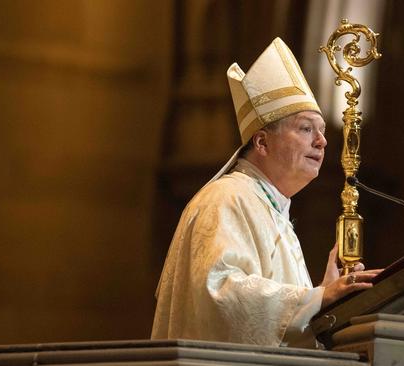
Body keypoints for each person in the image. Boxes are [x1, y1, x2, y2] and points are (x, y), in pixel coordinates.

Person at [151, 38, 379, 347]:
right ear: (261, 143)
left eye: (323, 131)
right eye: (305, 129)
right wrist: (314, 299)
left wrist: (326, 300)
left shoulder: (272, 210)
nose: (322, 142)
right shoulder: (225, 198)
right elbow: (218, 293)